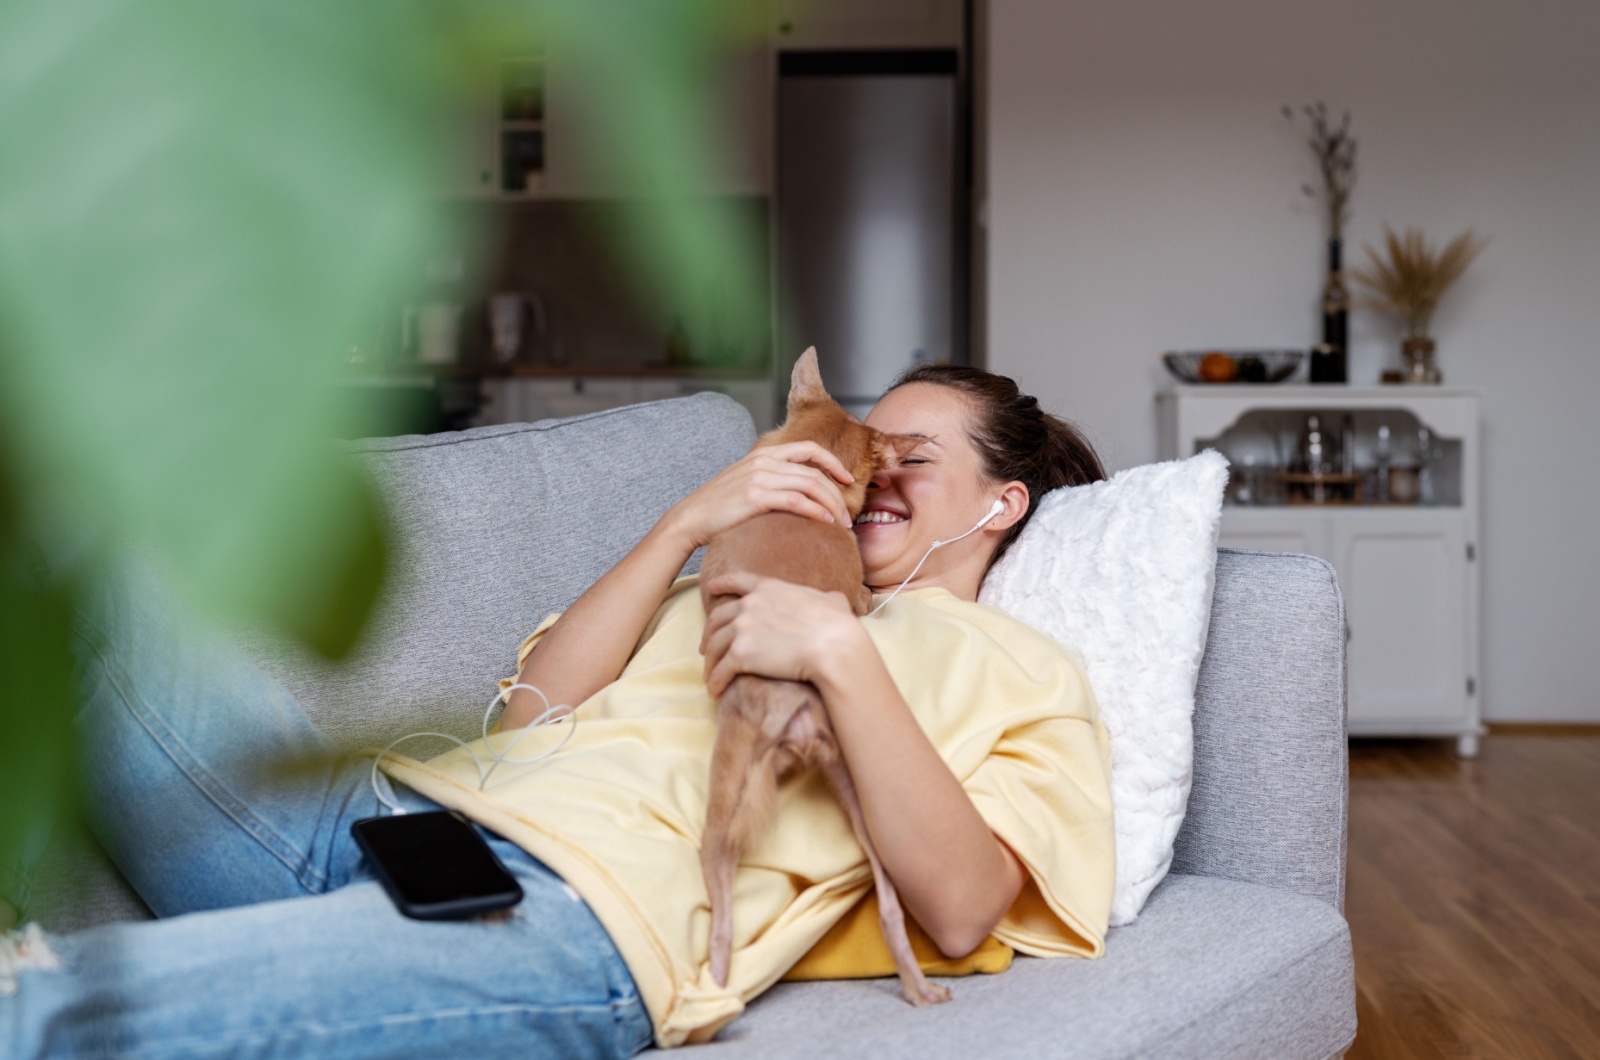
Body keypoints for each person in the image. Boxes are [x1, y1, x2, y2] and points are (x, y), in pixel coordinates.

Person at [1, 366, 1112, 1058]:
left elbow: (964, 907)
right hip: (391, 828)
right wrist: (688, 524)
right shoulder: (731, 580)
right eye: (865, 442)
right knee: (70, 532)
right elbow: (529, 721)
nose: (870, 469)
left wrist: (837, 652)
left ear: (1001, 502)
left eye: (910, 459)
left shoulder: (1017, 667)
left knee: (47, 1013)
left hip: (571, 923)